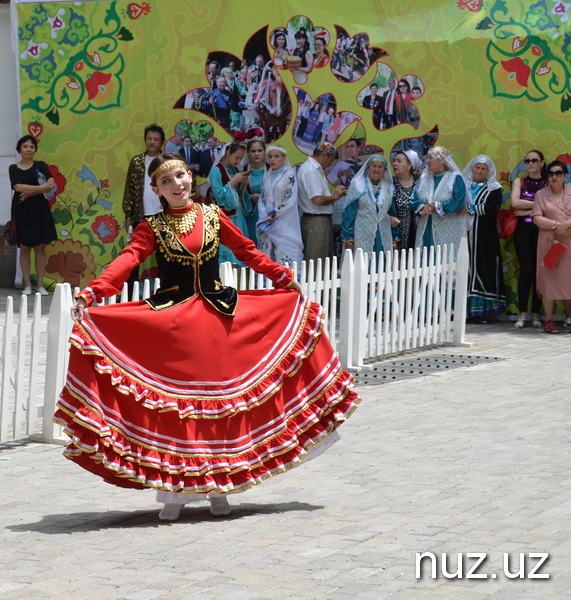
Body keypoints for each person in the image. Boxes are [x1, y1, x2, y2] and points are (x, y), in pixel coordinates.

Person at [56, 153, 359, 521]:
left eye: (181, 176)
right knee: (178, 410)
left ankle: (219, 486)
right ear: (156, 190)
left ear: (191, 178)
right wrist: (95, 292)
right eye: (166, 182)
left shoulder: (213, 216)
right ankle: (173, 494)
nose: (177, 185)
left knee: (219, 406)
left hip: (219, 318)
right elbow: (128, 260)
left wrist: (279, 276)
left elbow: (247, 250)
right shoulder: (151, 226)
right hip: (173, 324)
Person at [9, 135, 59, 295]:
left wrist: (29, 193)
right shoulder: (14, 168)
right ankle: (27, 286)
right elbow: (17, 187)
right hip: (21, 209)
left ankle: (40, 285)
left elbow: (50, 184)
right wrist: (40, 189)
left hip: (39, 209)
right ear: (19, 149)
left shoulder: (41, 165)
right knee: (24, 248)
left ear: (35, 149)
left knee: (40, 248)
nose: (28, 149)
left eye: (31, 147)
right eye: (25, 146)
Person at [531, 160, 571, 333]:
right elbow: (536, 217)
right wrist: (559, 225)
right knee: (549, 279)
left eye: (558, 173)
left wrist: (568, 224)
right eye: (551, 174)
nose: (554, 177)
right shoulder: (541, 194)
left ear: (565, 176)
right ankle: (549, 320)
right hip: (550, 242)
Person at [462, 154, 506, 321]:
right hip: (464, 233)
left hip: (484, 235)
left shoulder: (494, 188)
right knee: (465, 268)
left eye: (483, 168)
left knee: (483, 267)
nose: (479, 171)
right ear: (472, 168)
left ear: (488, 171)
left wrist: (470, 209)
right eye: (477, 167)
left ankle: (482, 311)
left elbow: (492, 208)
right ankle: (463, 310)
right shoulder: (463, 185)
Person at [510, 149, 548, 328]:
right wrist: (540, 204)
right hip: (524, 231)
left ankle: (536, 314)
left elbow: (552, 208)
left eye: (534, 160)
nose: (530, 164)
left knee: (541, 272)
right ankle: (522, 313)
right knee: (527, 270)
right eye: (527, 161)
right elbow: (515, 203)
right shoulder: (520, 181)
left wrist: (527, 209)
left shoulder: (549, 182)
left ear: (542, 162)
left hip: (544, 230)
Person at [410, 146, 469, 256]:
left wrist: (437, 206)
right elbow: (413, 200)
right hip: (426, 228)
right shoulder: (424, 179)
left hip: (449, 228)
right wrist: (424, 207)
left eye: (430, 158)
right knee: (426, 261)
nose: (427, 161)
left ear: (442, 160)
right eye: (427, 158)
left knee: (446, 260)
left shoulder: (454, 178)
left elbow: (459, 202)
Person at [298, 142, 347, 262]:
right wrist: (335, 196)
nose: (330, 164)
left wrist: (333, 195)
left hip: (320, 221)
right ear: (324, 155)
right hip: (316, 221)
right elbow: (318, 200)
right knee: (316, 263)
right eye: (330, 160)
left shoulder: (315, 170)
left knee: (323, 261)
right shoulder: (310, 171)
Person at [257, 144, 303, 265]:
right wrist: (264, 215)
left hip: (283, 221)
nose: (272, 160)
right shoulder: (267, 175)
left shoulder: (289, 175)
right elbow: (262, 198)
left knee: (282, 253)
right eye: (270, 156)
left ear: (283, 158)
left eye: (276, 156)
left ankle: (285, 281)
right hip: (266, 222)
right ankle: (266, 283)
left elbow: (289, 199)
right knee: (266, 252)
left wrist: (274, 214)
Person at [342, 155, 397, 253]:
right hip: (362, 233)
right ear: (368, 168)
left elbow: (392, 213)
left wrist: (395, 237)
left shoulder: (388, 187)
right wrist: (348, 237)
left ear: (385, 170)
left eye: (380, 166)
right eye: (374, 166)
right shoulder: (358, 185)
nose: (376, 169)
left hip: (383, 233)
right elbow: (349, 213)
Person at [208, 142, 250, 265]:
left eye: (241, 158)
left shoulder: (236, 170)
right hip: (225, 217)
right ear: (227, 153)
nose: (238, 161)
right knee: (227, 254)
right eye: (236, 157)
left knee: (240, 250)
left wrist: (244, 184)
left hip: (238, 217)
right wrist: (233, 181)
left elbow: (239, 197)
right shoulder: (216, 170)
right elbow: (219, 197)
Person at [122, 124, 165, 229]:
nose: (152, 142)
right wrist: (129, 217)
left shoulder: (168, 161)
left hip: (164, 213)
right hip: (140, 214)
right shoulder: (136, 162)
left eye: (156, 139)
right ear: (145, 140)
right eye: (149, 139)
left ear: (162, 142)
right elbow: (129, 190)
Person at [390, 150, 421, 251]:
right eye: (394, 161)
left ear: (409, 165)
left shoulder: (420, 181)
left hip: (420, 233)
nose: (394, 163)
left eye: (399, 161)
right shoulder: (390, 183)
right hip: (397, 236)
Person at [239, 139, 266, 245]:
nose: (257, 154)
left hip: (268, 215)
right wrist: (250, 198)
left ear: (264, 152)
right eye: (253, 151)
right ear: (248, 153)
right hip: (250, 214)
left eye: (259, 150)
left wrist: (263, 197)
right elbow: (237, 194)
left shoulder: (271, 169)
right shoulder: (243, 170)